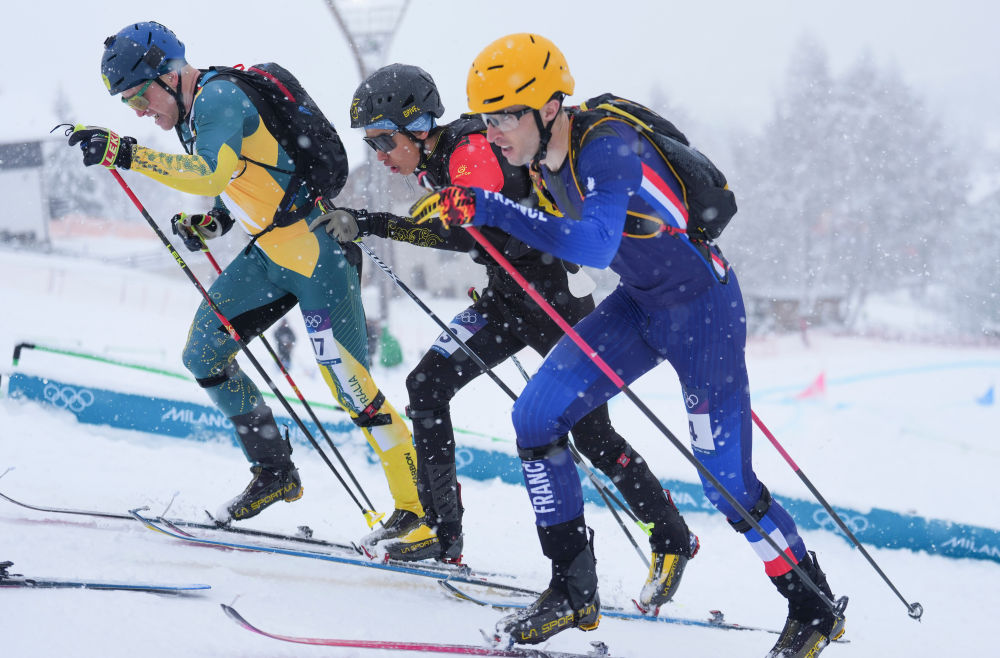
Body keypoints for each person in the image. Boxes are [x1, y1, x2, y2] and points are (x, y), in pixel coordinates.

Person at [415, 33, 846, 656]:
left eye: (506, 115)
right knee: (535, 416)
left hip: (703, 313)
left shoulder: (608, 145)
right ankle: (571, 589)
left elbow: (593, 243)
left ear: (551, 107)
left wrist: (492, 210)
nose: (494, 132)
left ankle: (813, 607)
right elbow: (550, 232)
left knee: (726, 483)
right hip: (639, 306)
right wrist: (467, 212)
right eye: (487, 118)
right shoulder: (537, 161)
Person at [311, 64, 697, 590]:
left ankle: (672, 538)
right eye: (371, 143)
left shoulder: (468, 151)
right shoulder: (436, 160)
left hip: (556, 305)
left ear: (418, 127)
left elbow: (465, 234)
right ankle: (441, 532)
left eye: (383, 140)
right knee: (426, 385)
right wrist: (369, 222)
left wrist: (373, 223)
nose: (379, 154)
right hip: (507, 302)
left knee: (594, 437)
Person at [68, 21, 425, 543]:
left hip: (317, 255)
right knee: (202, 355)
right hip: (267, 256)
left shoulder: (218, 97)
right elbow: (242, 180)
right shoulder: (192, 113)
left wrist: (127, 153)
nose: (139, 111)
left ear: (170, 75)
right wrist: (212, 223)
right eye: (128, 104)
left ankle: (418, 510)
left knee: (352, 390)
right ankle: (275, 473)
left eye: (140, 95)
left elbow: (210, 173)